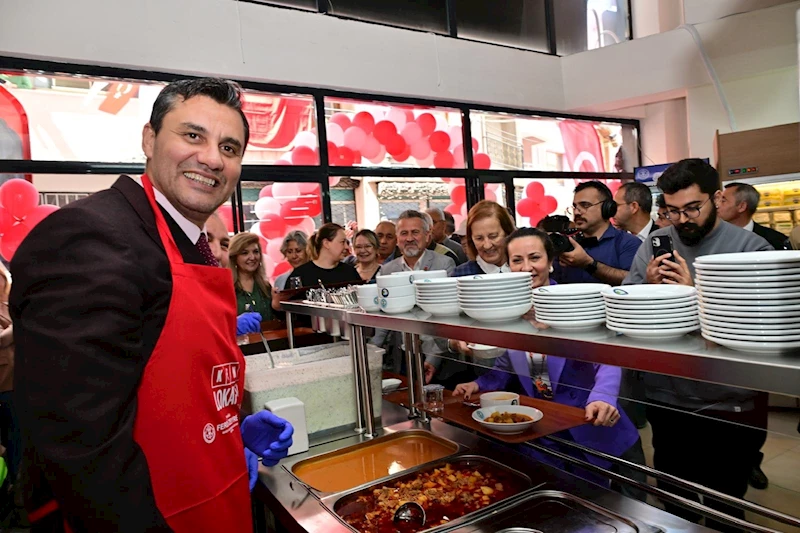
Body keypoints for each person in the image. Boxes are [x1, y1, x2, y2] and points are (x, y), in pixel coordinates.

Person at [9, 78, 293, 532]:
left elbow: (164, 382)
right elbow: (81, 447)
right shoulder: (94, 236)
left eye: (230, 147)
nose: (212, 159)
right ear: (149, 138)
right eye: (193, 135)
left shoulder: (190, 244)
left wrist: (224, 431)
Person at [624, 158, 771, 532]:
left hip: (729, 400)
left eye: (693, 208)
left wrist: (694, 293)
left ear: (718, 198)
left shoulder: (750, 249)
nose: (682, 219)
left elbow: (754, 326)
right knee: (677, 502)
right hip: (667, 394)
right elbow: (626, 305)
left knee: (725, 503)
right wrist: (648, 290)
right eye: (672, 211)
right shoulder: (657, 244)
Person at [454, 227, 646, 501]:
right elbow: (507, 365)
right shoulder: (509, 312)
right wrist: (478, 384)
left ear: (551, 262)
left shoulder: (574, 301)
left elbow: (607, 356)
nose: (527, 267)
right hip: (547, 437)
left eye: (535, 257)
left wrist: (603, 396)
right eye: (517, 260)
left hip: (598, 431)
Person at [372, 211, 455, 375]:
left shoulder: (444, 264)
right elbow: (384, 317)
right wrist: (371, 352)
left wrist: (433, 359)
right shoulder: (387, 270)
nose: (409, 238)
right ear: (397, 239)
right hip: (402, 353)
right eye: (404, 233)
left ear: (427, 236)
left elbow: (446, 316)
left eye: (415, 232)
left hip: (439, 355)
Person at [555, 181, 642, 286]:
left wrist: (589, 264)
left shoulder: (628, 243)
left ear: (607, 208)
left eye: (585, 205)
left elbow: (634, 280)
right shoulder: (568, 242)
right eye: (575, 207)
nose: (577, 212)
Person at [451, 200, 516, 277]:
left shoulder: (523, 269)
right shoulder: (461, 275)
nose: (487, 245)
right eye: (479, 238)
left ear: (507, 233)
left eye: (493, 236)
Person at [717, 182, 789, 250]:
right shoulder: (712, 238)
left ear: (742, 207)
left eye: (723, 201)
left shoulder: (775, 240)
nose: (717, 205)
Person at [286, 223, 360, 288]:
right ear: (326, 243)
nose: (346, 247)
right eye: (342, 242)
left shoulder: (350, 272)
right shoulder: (300, 275)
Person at [0, 263, 18, 498]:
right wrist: (18, 327)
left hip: (19, 375)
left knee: (18, 434)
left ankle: (17, 483)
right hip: (3, 380)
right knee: (8, 434)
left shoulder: (11, 301)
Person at [229, 232, 274, 321]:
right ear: (234, 257)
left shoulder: (266, 287)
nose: (252, 257)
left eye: (256, 252)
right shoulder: (227, 288)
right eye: (245, 253)